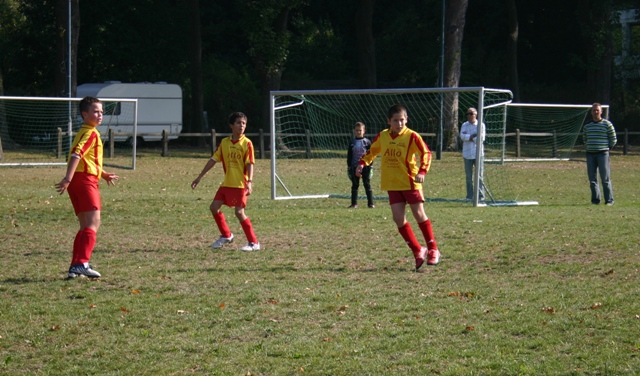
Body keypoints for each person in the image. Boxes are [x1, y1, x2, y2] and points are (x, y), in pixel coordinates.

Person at [356, 104, 440, 270]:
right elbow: (371, 151)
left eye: (402, 120)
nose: (399, 123)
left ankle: (433, 249)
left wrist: (422, 170)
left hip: (410, 182)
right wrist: (362, 163)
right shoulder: (383, 136)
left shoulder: (412, 136)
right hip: (392, 184)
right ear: (389, 121)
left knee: (418, 214)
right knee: (398, 218)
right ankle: (418, 250)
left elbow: (426, 153)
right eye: (395, 120)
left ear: (406, 119)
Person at [55, 96, 119, 279]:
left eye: (101, 112)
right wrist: (67, 178)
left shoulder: (84, 131)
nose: (100, 115)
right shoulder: (90, 132)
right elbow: (76, 155)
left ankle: (75, 266)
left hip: (79, 180)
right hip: (84, 181)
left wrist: (103, 173)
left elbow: (86, 159)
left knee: (85, 225)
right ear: (84, 114)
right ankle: (82, 263)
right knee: (93, 223)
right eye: (95, 111)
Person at [191, 112, 260, 251]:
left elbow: (250, 163)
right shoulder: (224, 143)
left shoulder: (247, 143)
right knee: (213, 208)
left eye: (244, 123)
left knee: (239, 213)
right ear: (231, 125)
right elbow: (213, 160)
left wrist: (250, 182)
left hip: (241, 185)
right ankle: (226, 235)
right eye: (239, 123)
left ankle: (254, 243)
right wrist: (199, 177)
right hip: (227, 184)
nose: (242, 125)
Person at [583, 102, 616, 205]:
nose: (596, 112)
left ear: (601, 111)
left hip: (603, 154)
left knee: (605, 178)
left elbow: (613, 139)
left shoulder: (607, 124)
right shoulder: (587, 126)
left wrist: (607, 148)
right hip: (590, 154)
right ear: (591, 112)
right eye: (594, 110)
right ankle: (595, 200)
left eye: (597, 110)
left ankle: (609, 200)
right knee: (592, 179)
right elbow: (585, 139)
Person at [347, 122, 374, 208]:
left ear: (364, 131)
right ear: (354, 131)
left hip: (365, 167)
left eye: (360, 130)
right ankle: (354, 204)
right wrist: (349, 166)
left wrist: (371, 166)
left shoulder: (367, 142)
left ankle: (371, 204)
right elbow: (349, 155)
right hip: (354, 167)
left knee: (367, 184)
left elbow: (371, 154)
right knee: (355, 185)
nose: (358, 132)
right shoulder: (352, 143)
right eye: (357, 130)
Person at [459, 107, 485, 201]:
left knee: (479, 175)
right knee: (469, 177)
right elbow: (462, 136)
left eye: (471, 113)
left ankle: (480, 196)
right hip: (467, 154)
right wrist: (472, 136)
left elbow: (481, 139)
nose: (469, 116)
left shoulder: (481, 125)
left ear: (476, 115)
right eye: (468, 114)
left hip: (478, 154)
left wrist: (471, 138)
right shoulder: (464, 125)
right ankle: (469, 196)